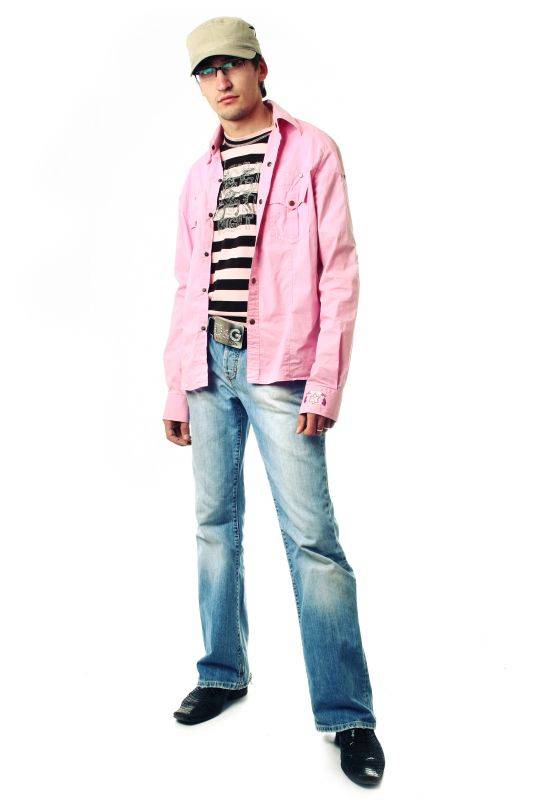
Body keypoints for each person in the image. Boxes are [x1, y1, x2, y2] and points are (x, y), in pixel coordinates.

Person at [162, 16, 385, 787]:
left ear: (260, 68)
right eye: (206, 70)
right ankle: (222, 672)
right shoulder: (198, 175)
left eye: (232, 64)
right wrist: (176, 381)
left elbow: (338, 272)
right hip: (206, 365)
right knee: (213, 527)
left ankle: (347, 715)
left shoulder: (311, 150)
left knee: (313, 542)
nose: (220, 80)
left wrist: (324, 381)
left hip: (280, 367)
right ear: (198, 84)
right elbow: (186, 282)